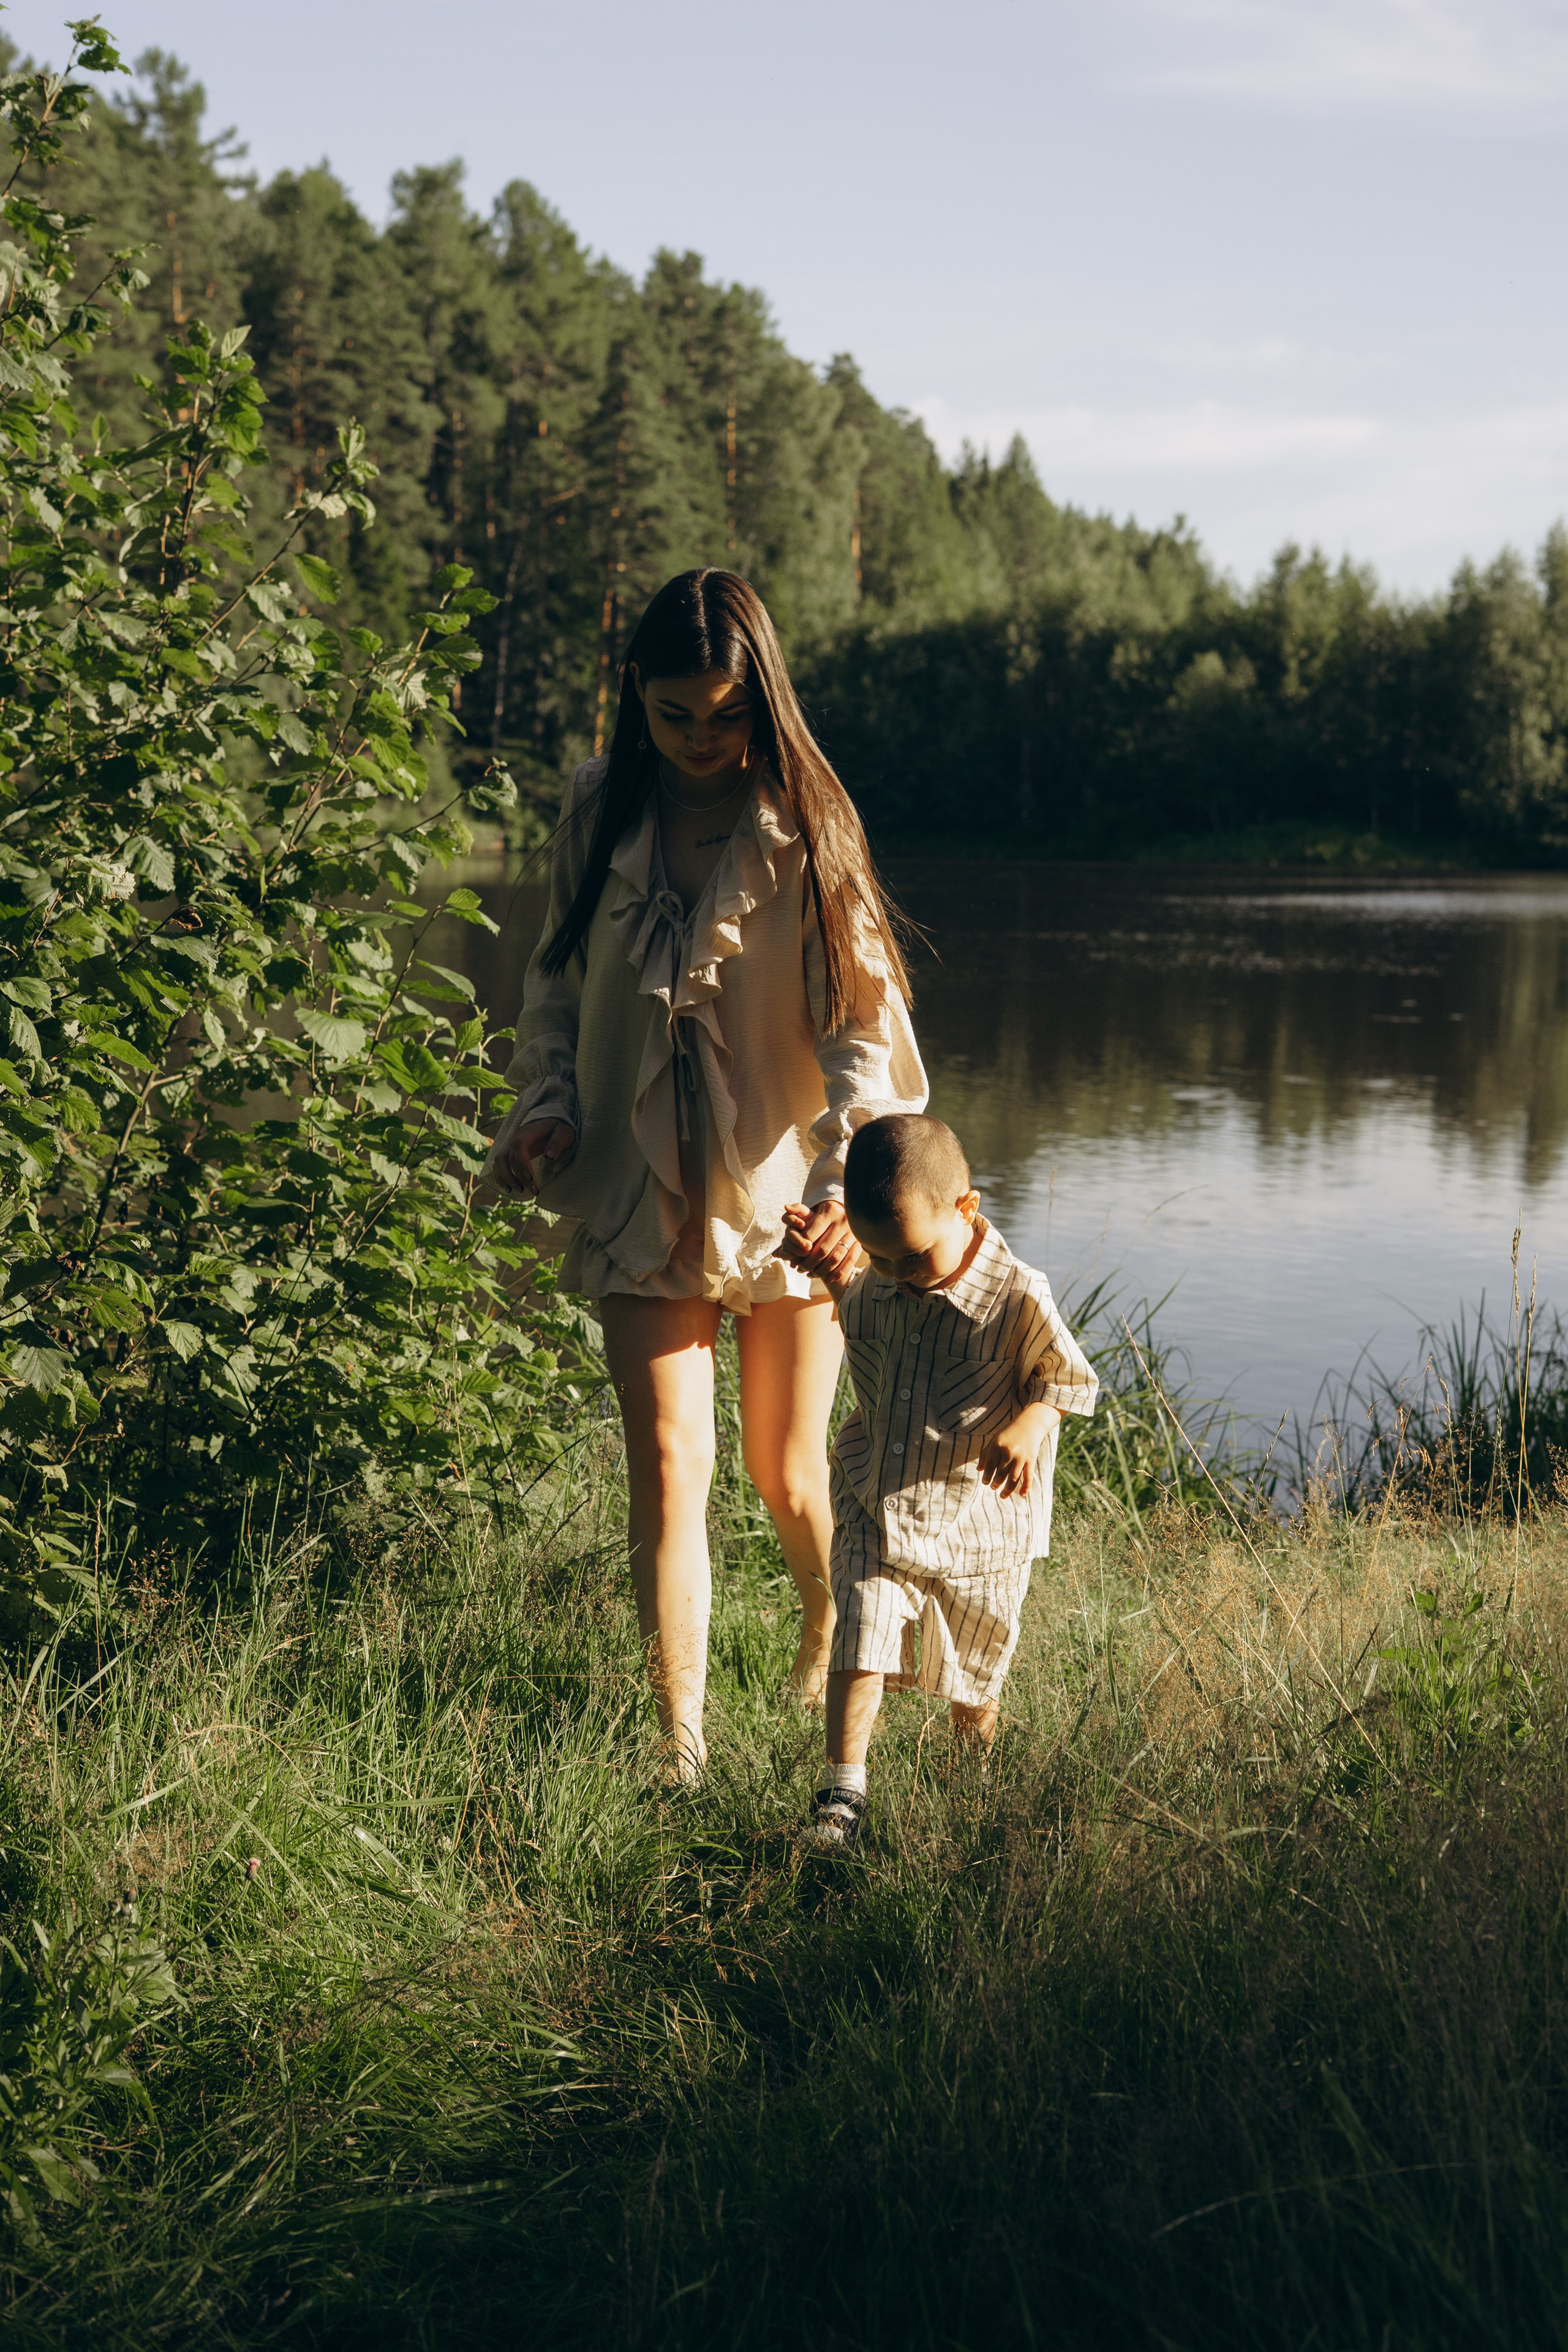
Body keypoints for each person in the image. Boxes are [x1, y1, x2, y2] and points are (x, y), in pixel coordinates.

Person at [484, 568, 927, 1781]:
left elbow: (859, 1033)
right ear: (635, 700)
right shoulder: (595, 810)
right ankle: (678, 1743)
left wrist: (844, 1192)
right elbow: (554, 993)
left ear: (762, 702)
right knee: (671, 1462)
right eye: (672, 716)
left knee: (786, 1472)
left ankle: (826, 1612)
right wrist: (549, 1110)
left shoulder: (807, 820)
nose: (697, 741)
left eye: (724, 716)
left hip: (789, 1193)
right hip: (639, 1185)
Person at [777, 1112, 1098, 1846]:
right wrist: (831, 1268)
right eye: (877, 1258)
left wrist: (1027, 1426)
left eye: (910, 1259)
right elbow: (859, 1308)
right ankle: (841, 1792)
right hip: (876, 1497)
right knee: (859, 1632)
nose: (893, 1275)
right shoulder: (885, 1273)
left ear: (967, 1208)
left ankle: (972, 1785)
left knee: (977, 1668)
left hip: (979, 1521)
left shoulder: (1016, 1293)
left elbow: (1070, 1379)